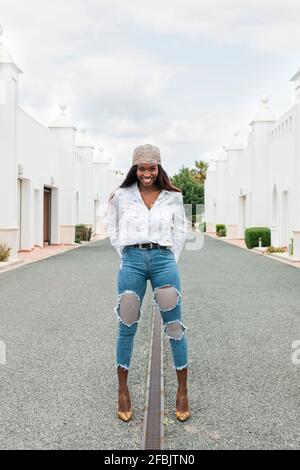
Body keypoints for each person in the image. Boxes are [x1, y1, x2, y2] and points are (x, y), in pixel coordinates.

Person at [104, 144, 190, 422]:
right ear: (134, 169)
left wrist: (171, 258)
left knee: (174, 325)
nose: (146, 173)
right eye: (141, 168)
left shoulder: (173, 196)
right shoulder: (121, 196)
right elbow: (113, 228)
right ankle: (123, 390)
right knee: (127, 323)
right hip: (132, 260)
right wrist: (127, 254)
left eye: (151, 167)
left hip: (164, 260)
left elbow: (180, 229)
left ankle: (182, 391)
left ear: (159, 168)